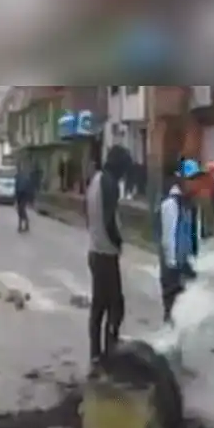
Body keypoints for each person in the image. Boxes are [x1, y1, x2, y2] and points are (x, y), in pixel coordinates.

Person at [86, 148, 130, 364]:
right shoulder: (110, 184)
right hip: (106, 253)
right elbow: (109, 219)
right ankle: (110, 352)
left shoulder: (95, 180)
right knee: (116, 306)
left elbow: (90, 216)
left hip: (94, 250)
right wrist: (118, 242)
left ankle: (95, 353)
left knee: (99, 306)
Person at [159, 159, 202, 324]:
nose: (194, 183)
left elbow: (193, 236)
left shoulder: (189, 203)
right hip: (173, 269)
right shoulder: (171, 204)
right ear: (181, 179)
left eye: (196, 179)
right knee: (173, 312)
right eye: (191, 179)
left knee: (186, 313)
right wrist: (174, 269)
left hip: (185, 265)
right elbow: (168, 238)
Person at [14, 160, 34, 233]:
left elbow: (29, 187)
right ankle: (21, 225)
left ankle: (25, 224)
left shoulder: (25, 176)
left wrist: (30, 198)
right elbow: (16, 187)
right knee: (20, 210)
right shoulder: (18, 176)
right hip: (20, 194)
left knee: (21, 209)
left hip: (24, 194)